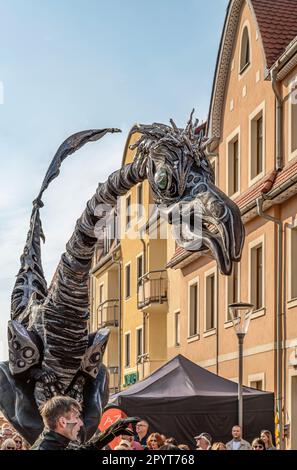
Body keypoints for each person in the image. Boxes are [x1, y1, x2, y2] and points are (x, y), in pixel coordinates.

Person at [32, 395, 136, 450]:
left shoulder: (54, 443)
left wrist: (111, 432)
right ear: (63, 422)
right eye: (76, 418)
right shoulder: (46, 447)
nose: (81, 423)